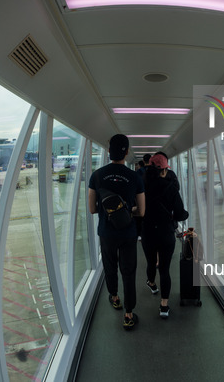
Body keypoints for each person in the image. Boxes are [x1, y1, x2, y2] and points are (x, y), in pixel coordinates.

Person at [88, 134, 145, 330]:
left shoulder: (96, 175)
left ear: (108, 151)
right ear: (127, 152)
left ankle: (114, 297)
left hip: (106, 232)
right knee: (128, 272)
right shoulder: (134, 177)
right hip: (128, 233)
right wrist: (128, 210)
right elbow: (142, 210)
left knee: (110, 267)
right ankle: (128, 315)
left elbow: (92, 209)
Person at [141, 153, 188, 319]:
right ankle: (164, 306)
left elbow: (138, 210)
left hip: (148, 232)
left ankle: (152, 284)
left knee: (151, 262)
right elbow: (181, 214)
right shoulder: (171, 188)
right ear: (164, 170)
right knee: (165, 269)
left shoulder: (142, 187)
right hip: (166, 232)